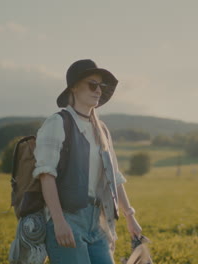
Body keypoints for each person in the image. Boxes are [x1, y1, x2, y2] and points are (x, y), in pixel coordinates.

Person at [32, 59, 142, 263]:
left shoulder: (102, 130)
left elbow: (114, 177)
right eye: (92, 84)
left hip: (98, 221)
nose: (98, 90)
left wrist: (130, 216)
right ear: (73, 87)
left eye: (102, 86)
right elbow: (46, 176)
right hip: (67, 218)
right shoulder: (57, 122)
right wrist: (58, 221)